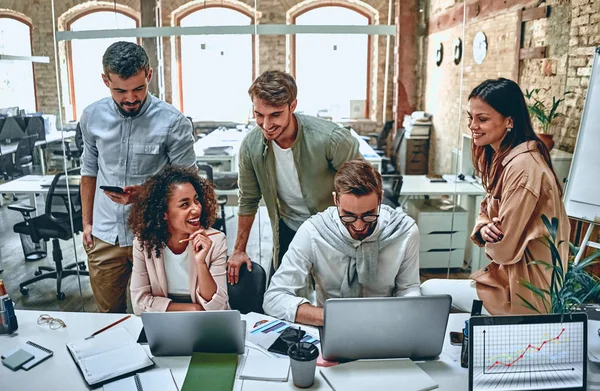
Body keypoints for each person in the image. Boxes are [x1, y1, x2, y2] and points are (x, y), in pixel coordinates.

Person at [421, 78, 569, 315]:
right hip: (509, 281)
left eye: (482, 119)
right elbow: (486, 211)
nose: (472, 125)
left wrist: (490, 233)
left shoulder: (524, 167)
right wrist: (483, 228)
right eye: (470, 117)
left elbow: (503, 250)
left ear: (509, 120)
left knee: (428, 290)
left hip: (525, 295)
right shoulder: (506, 157)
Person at [80, 41, 196, 313]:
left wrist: (145, 193)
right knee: (108, 318)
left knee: (159, 315)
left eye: (138, 89)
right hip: (105, 236)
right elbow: (89, 170)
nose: (130, 98)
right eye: (120, 90)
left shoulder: (173, 122)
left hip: (155, 234)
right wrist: (87, 223)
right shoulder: (92, 116)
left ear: (149, 76)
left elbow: (188, 184)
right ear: (105, 80)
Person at [228, 70, 361, 284]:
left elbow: (362, 189)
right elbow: (248, 199)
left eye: (275, 115)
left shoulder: (331, 139)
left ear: (293, 106)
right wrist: (238, 250)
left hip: (334, 230)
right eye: (259, 114)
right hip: (289, 228)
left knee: (335, 298)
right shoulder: (251, 147)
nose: (266, 124)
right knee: (278, 298)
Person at [263, 160, 421, 326]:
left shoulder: (405, 232)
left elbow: (408, 288)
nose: (358, 226)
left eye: (369, 215)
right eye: (348, 215)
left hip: (387, 324)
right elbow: (274, 298)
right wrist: (328, 317)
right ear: (336, 200)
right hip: (330, 325)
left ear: (380, 198)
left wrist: (408, 309)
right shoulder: (314, 232)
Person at [128, 165, 228, 315]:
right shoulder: (144, 243)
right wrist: (192, 309)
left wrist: (201, 264)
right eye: (185, 204)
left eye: (196, 200)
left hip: (206, 323)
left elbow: (217, 308)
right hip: (164, 324)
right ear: (163, 213)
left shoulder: (216, 240)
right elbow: (139, 303)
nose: (196, 209)